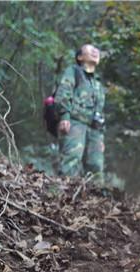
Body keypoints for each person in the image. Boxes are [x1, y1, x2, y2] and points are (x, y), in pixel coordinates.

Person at [55, 44, 106, 178]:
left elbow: (100, 110)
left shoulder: (98, 83)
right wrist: (64, 116)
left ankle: (95, 199)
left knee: (96, 167)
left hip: (94, 129)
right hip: (75, 122)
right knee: (71, 161)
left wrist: (101, 137)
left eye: (96, 50)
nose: (95, 51)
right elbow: (64, 92)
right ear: (80, 57)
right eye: (90, 49)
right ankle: (62, 196)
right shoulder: (74, 71)